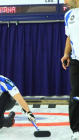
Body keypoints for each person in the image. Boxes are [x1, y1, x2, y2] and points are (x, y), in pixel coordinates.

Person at [61, 0, 79, 139]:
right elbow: (69, 36)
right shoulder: (68, 15)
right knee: (75, 96)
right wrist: (66, 54)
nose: (65, 1)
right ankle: (76, 130)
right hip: (75, 61)